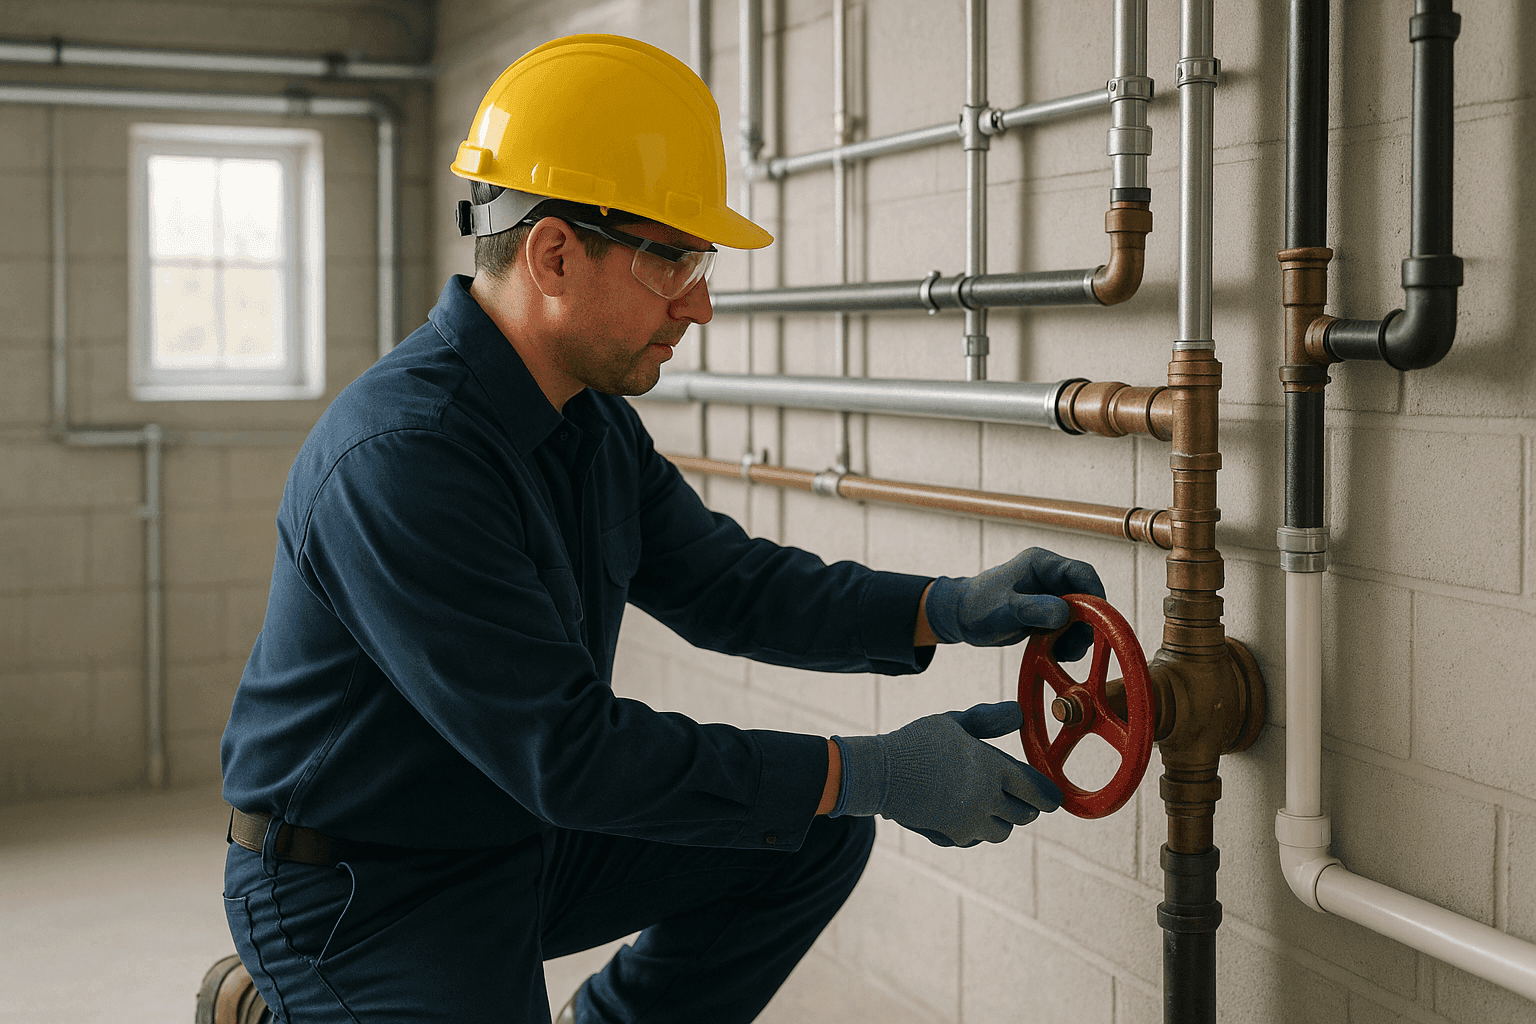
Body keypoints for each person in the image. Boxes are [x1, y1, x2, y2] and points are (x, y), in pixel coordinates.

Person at [201, 33, 1106, 1024]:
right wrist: (871, 769)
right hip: (362, 889)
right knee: (824, 795)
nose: (701, 304)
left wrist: (944, 608)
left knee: (805, 830)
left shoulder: (584, 424)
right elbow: (572, 753)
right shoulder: (402, 458)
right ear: (553, 252)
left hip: (514, 831)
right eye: (672, 260)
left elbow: (732, 583)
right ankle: (281, 996)